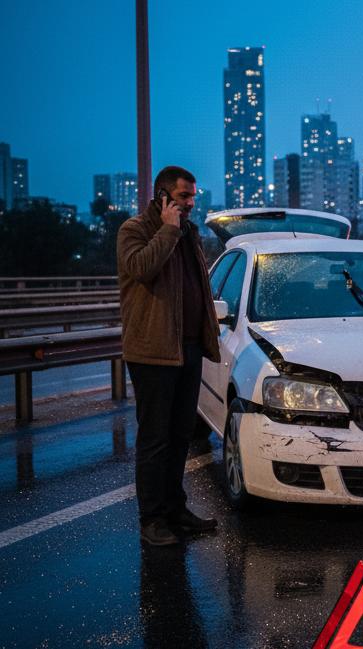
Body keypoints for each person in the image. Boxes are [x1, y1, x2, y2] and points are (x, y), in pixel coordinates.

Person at [117, 166, 221, 546]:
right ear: (163, 198)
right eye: (184, 197)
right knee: (155, 439)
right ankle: (153, 520)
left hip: (188, 348)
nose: (192, 203)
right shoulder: (135, 230)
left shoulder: (188, 232)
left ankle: (176, 509)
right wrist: (168, 229)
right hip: (154, 352)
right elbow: (141, 269)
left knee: (180, 437)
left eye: (193, 196)